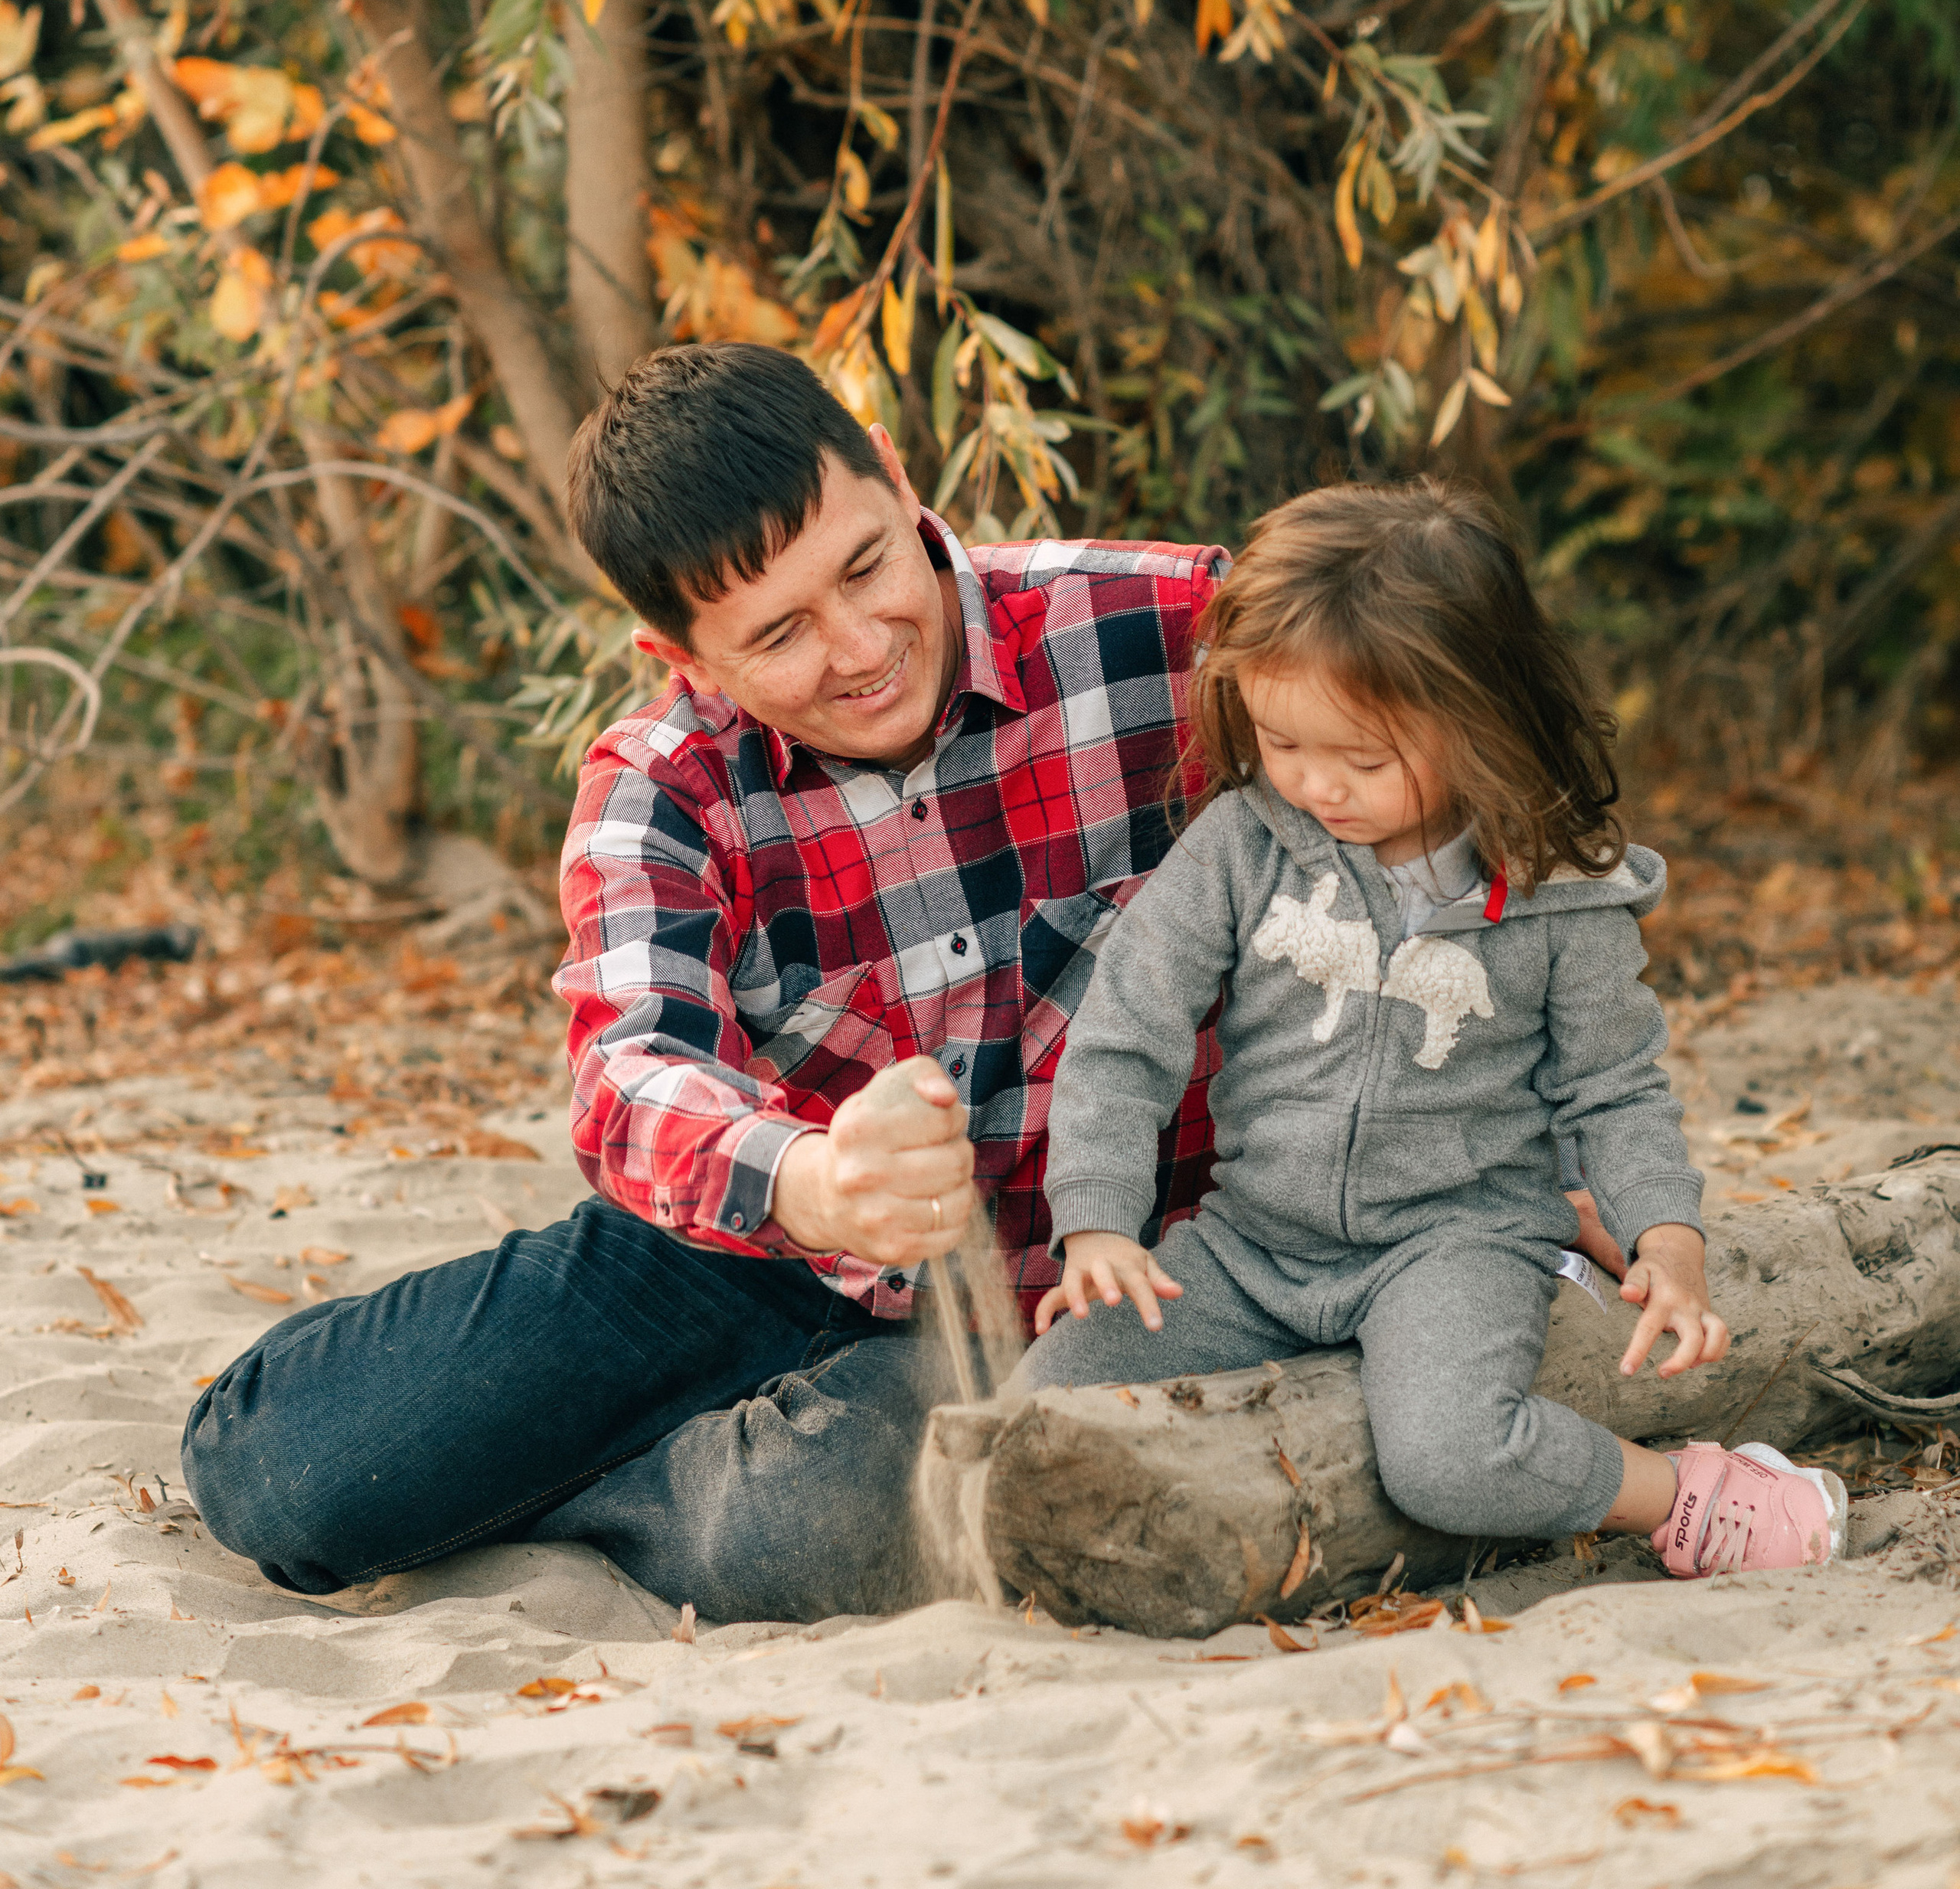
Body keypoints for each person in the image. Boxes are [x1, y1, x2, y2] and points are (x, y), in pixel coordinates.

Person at [180, 343, 1225, 1617]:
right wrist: (817, 1181)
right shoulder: (660, 782)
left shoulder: (1174, 629)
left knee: (817, 1533)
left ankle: (608, 1495)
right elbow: (629, 1075)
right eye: (778, 634)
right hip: (765, 1241)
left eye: (866, 566)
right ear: (682, 653)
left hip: (1054, 1290)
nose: (861, 649)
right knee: (285, 1476)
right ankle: (533, 1412)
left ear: (895, 477)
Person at [1018, 479, 1847, 1582]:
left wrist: (1670, 1240)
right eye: (1281, 741)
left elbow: (1616, 1089)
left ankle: (1687, 1491)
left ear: (1478, 720)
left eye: (1364, 761)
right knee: (1041, 1400)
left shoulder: (1559, 896)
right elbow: (1128, 1032)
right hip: (1250, 1245)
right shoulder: (1243, 847)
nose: (1316, 786)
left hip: (1454, 1243)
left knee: (1449, 1458)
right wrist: (1097, 1224)